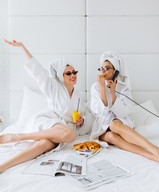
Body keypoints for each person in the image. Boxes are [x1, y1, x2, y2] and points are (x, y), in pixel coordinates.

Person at [0, 39, 94, 173]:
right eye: (68, 73)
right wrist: (22, 47)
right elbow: (38, 72)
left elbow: (87, 116)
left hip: (59, 132)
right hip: (48, 121)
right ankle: (18, 136)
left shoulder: (78, 97)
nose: (73, 75)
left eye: (75, 72)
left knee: (44, 145)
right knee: (70, 135)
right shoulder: (54, 86)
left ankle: (3, 166)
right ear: (61, 76)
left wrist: (81, 121)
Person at [90, 51, 159, 168]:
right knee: (110, 135)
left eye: (107, 68)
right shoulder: (95, 87)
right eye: (101, 68)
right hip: (102, 127)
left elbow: (124, 112)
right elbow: (100, 112)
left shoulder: (124, 88)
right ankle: (154, 154)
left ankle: (156, 153)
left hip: (120, 123)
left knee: (114, 127)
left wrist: (113, 92)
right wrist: (102, 89)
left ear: (115, 71)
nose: (103, 71)